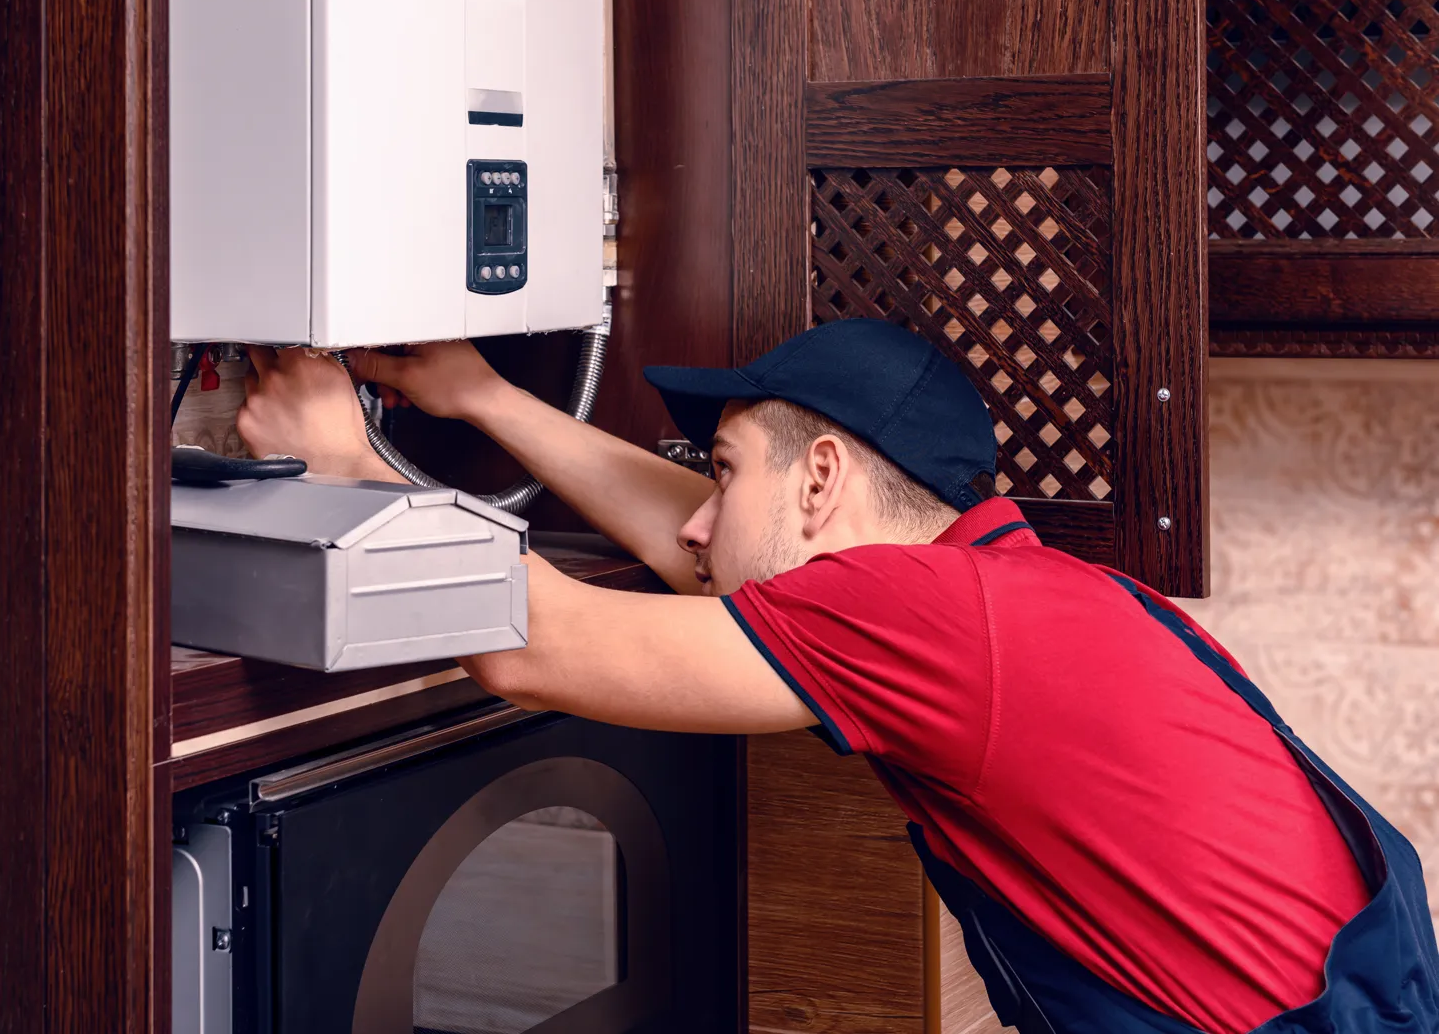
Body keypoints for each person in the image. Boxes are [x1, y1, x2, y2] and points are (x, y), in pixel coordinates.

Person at [234, 319, 1437, 1034]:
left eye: (726, 469)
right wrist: (480, 396)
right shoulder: (1006, 598)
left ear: (819, 484)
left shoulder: (918, 620)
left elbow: (530, 646)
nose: (699, 526)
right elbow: (702, 547)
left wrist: (342, 463)